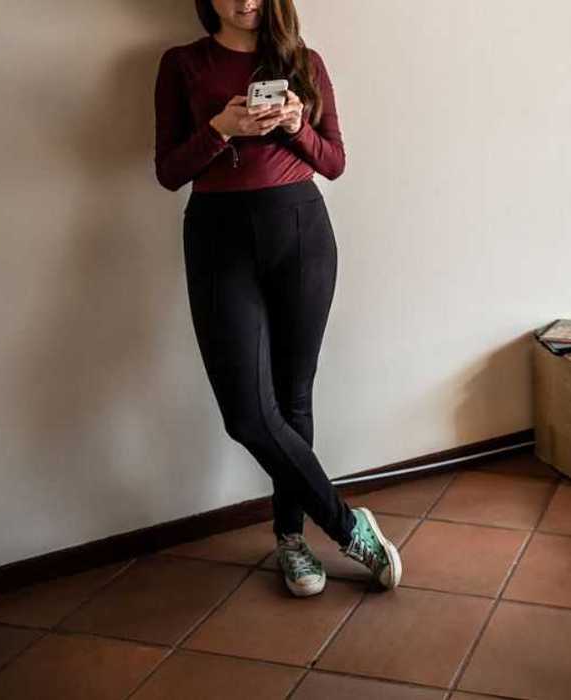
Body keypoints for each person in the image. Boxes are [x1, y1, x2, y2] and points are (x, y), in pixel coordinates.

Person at [154, 0, 400, 598]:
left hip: (300, 232)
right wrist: (220, 129)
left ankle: (291, 538)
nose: (246, 2)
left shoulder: (303, 62)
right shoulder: (182, 64)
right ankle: (346, 525)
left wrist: (294, 126)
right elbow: (167, 170)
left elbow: (334, 163)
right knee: (247, 411)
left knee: (294, 397)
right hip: (217, 236)